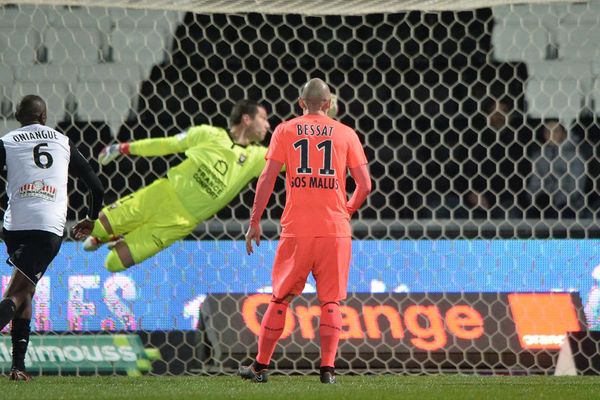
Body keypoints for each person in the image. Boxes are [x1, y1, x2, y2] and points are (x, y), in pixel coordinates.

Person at [239, 78, 371, 384]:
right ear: (328, 104)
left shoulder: (285, 130)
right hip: (334, 231)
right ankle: (327, 370)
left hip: (296, 230)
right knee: (331, 302)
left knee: (280, 299)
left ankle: (260, 367)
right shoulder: (346, 133)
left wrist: (255, 221)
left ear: (301, 103)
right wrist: (346, 211)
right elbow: (365, 185)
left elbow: (267, 179)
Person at [83, 100, 271, 272]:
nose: (268, 125)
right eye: (263, 118)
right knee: (93, 227)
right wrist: (124, 148)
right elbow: (167, 144)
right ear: (246, 119)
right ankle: (105, 235)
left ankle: (118, 236)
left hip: (179, 222)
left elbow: (291, 160)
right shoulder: (207, 133)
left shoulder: (256, 157)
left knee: (113, 264)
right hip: (161, 194)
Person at [0, 95, 104, 381]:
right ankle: (17, 365)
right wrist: (92, 218)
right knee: (18, 293)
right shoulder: (62, 141)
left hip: (15, 224)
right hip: (47, 227)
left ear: (18, 116)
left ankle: (18, 367)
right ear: (44, 116)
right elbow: (95, 185)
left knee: (26, 288)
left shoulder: (6, 141)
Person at [525, 120, 587, 219]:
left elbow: (576, 187)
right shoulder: (538, 156)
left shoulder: (575, 156)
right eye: (547, 131)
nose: (551, 134)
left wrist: (555, 200)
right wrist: (537, 198)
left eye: (556, 131)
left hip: (569, 205)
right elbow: (534, 182)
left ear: (564, 134)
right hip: (542, 203)